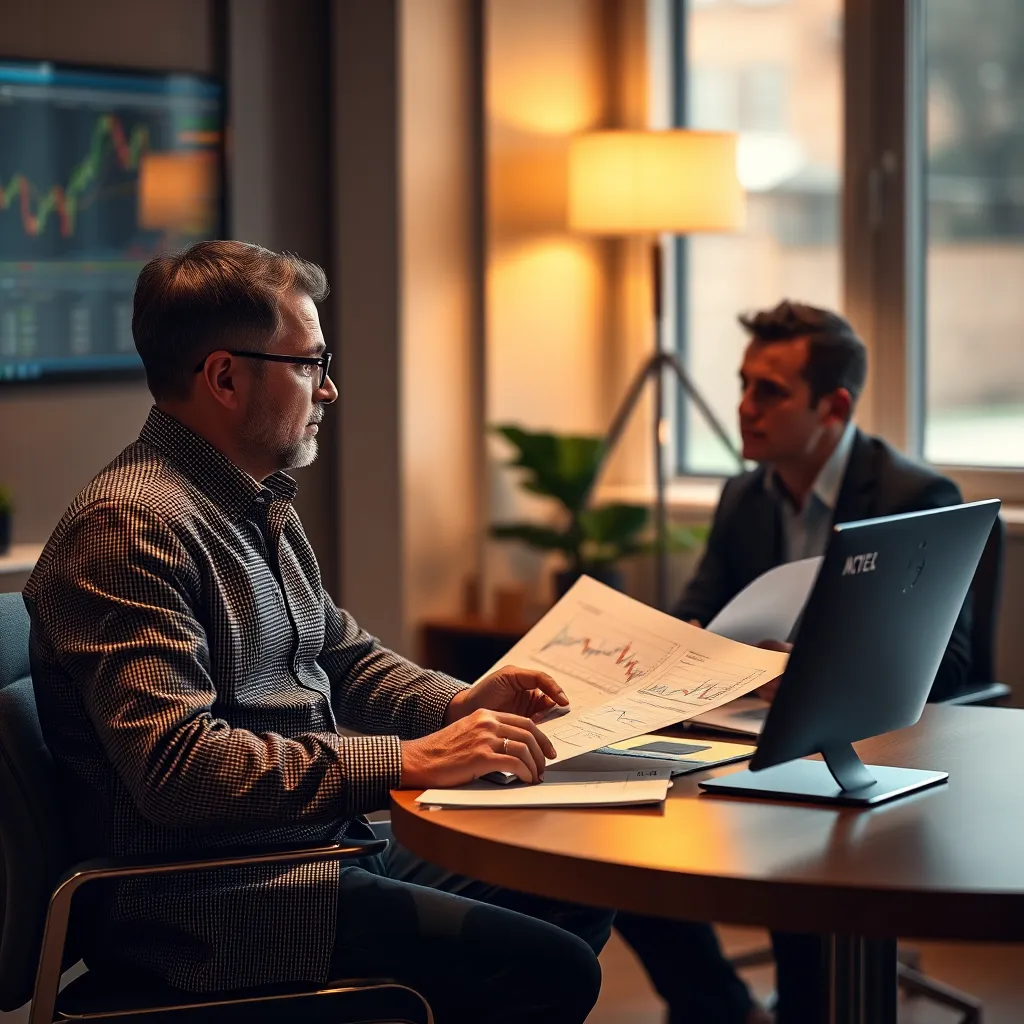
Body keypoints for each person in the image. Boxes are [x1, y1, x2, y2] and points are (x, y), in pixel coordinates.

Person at [24, 240, 614, 1024]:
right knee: (549, 969)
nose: (329, 389)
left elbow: (337, 654)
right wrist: (409, 758)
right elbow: (178, 770)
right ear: (226, 377)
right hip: (210, 903)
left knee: (574, 884)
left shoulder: (255, 500)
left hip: (305, 853)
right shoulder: (131, 529)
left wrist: (457, 704)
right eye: (309, 363)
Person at [616, 299, 973, 1024]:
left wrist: (805, 668)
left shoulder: (912, 496)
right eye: (743, 384)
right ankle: (720, 1010)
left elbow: (952, 665)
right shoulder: (744, 495)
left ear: (833, 405)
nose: (744, 407)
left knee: (791, 840)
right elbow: (702, 613)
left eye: (768, 391)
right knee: (615, 838)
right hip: (746, 725)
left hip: (870, 740)